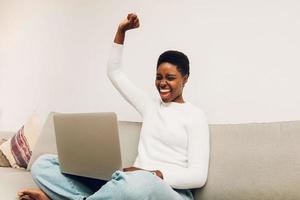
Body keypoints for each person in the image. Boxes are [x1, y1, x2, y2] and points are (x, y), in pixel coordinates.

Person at [18, 13, 209, 200]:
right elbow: (114, 72)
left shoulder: (195, 116)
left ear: (185, 79)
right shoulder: (149, 106)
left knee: (138, 184)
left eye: (170, 78)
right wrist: (121, 31)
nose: (162, 83)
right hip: (128, 183)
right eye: (158, 77)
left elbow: (198, 176)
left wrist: (152, 174)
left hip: (168, 191)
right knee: (43, 164)